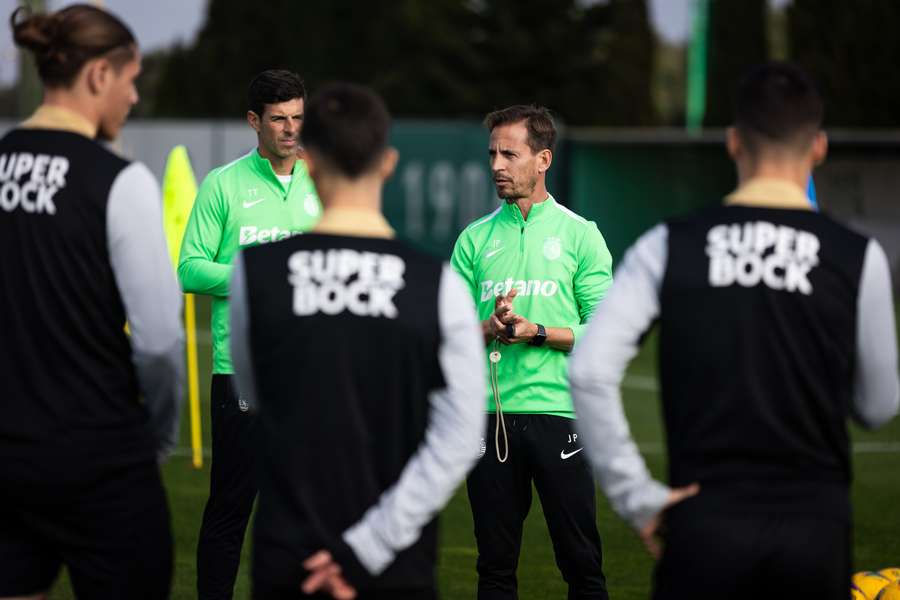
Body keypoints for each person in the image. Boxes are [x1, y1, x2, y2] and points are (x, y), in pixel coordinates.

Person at [569, 62, 900, 600]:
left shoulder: (666, 245)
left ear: (732, 143)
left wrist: (637, 496)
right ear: (818, 147)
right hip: (814, 530)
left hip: (704, 526)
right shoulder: (858, 257)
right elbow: (878, 406)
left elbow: (587, 371)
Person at [229, 82, 486, 599]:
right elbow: (459, 437)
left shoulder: (253, 272)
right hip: (393, 562)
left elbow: (255, 396)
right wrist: (370, 545)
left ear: (309, 160)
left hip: (291, 553)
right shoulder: (437, 284)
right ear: (387, 163)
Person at [0, 5, 184, 599]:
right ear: (99, 76)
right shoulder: (118, 180)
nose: (133, 98)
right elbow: (159, 343)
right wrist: (155, 439)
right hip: (98, 459)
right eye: (130, 80)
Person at [450, 105, 613, 599]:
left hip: (561, 417)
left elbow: (605, 332)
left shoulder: (580, 234)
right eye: (493, 154)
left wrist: (537, 331)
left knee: (581, 562)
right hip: (490, 418)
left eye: (510, 154)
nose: (497, 164)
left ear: (543, 159)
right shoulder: (473, 239)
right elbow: (449, 333)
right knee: (495, 568)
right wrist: (490, 326)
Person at [179, 69, 321, 599]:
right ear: (253, 121)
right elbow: (190, 269)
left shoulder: (323, 182)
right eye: (279, 119)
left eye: (298, 118)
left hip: (310, 374)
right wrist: (252, 274)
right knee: (231, 507)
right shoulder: (222, 184)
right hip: (239, 373)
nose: (290, 130)